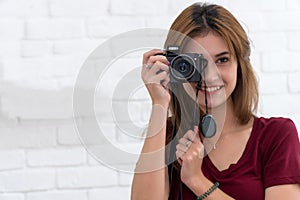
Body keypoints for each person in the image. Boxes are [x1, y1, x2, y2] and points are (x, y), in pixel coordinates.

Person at [131, 2, 300, 200]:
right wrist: (159, 103)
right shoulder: (167, 135)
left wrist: (197, 180)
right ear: (177, 67)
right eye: (196, 63)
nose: (210, 76)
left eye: (222, 60)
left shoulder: (275, 135)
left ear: (240, 64)